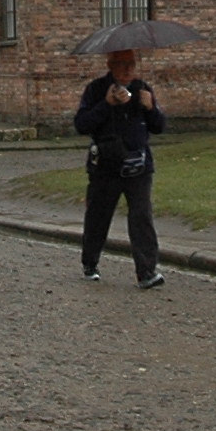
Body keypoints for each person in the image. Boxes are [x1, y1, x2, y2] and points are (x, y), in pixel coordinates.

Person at [74, 48, 165, 288]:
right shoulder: (96, 89)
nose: (128, 70)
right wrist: (107, 104)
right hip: (106, 167)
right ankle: (90, 262)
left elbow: (159, 126)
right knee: (98, 217)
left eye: (131, 64)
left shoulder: (142, 88)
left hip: (139, 166)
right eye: (122, 64)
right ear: (110, 64)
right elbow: (81, 124)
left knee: (141, 217)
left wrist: (150, 107)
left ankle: (147, 271)